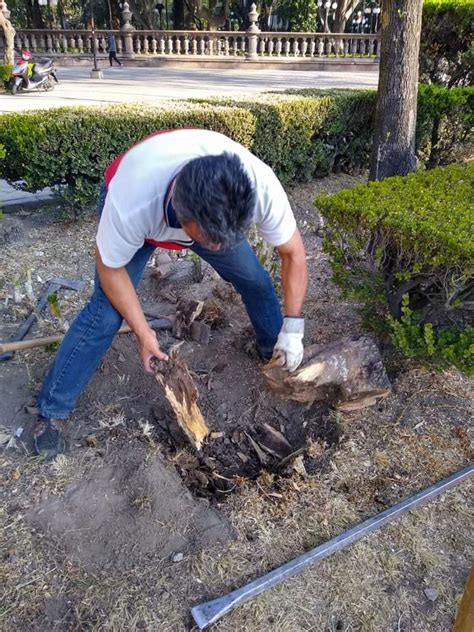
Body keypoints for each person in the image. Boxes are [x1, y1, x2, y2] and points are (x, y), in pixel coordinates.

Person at [34, 129, 308, 459]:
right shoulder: (131, 201)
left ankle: (273, 351)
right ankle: (52, 412)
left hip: (204, 215)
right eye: (210, 241)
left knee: (255, 279)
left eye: (226, 238)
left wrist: (293, 330)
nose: (219, 249)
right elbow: (111, 270)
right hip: (144, 203)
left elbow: (293, 254)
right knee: (104, 314)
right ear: (183, 217)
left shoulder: (257, 184)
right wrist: (143, 331)